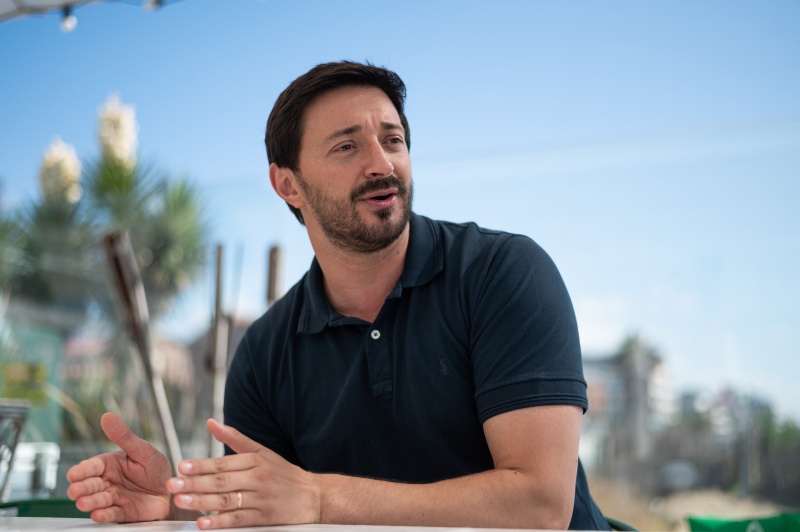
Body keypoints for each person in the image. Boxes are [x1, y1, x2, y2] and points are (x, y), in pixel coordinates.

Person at [67, 60, 610, 530]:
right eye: (347, 146)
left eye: (392, 140)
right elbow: (265, 511)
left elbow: (540, 506)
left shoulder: (503, 272)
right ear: (288, 185)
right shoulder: (263, 353)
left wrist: (319, 497)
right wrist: (172, 505)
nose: (382, 164)